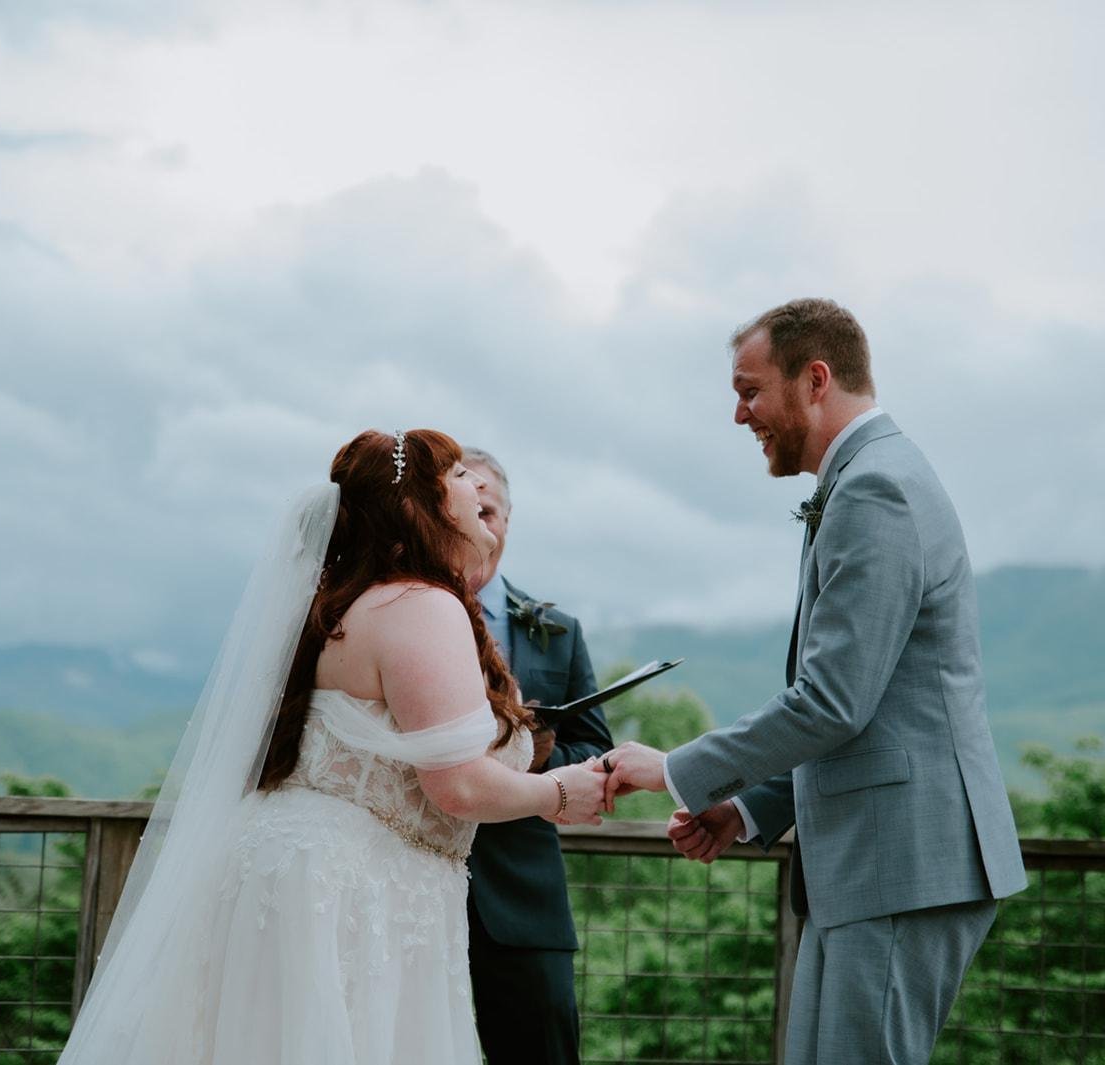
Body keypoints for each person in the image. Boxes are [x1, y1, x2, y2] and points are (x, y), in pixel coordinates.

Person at [59, 429, 610, 1065]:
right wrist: (563, 791)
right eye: (459, 476)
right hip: (350, 891)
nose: (476, 487)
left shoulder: (339, 605)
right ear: (421, 506)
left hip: (289, 868)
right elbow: (456, 785)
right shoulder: (420, 605)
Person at [601, 298, 1027, 1065]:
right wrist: (751, 804)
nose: (739, 415)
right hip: (875, 862)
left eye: (750, 389)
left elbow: (835, 700)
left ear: (815, 379)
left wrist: (673, 769)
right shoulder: (873, 474)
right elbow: (873, 705)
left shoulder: (875, 488)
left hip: (901, 862)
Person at [460, 446, 611, 1065]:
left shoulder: (557, 631)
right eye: (465, 510)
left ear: (508, 515)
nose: (478, 526)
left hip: (524, 896)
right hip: (406, 878)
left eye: (488, 510)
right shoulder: (399, 614)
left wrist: (546, 756)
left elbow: (595, 750)